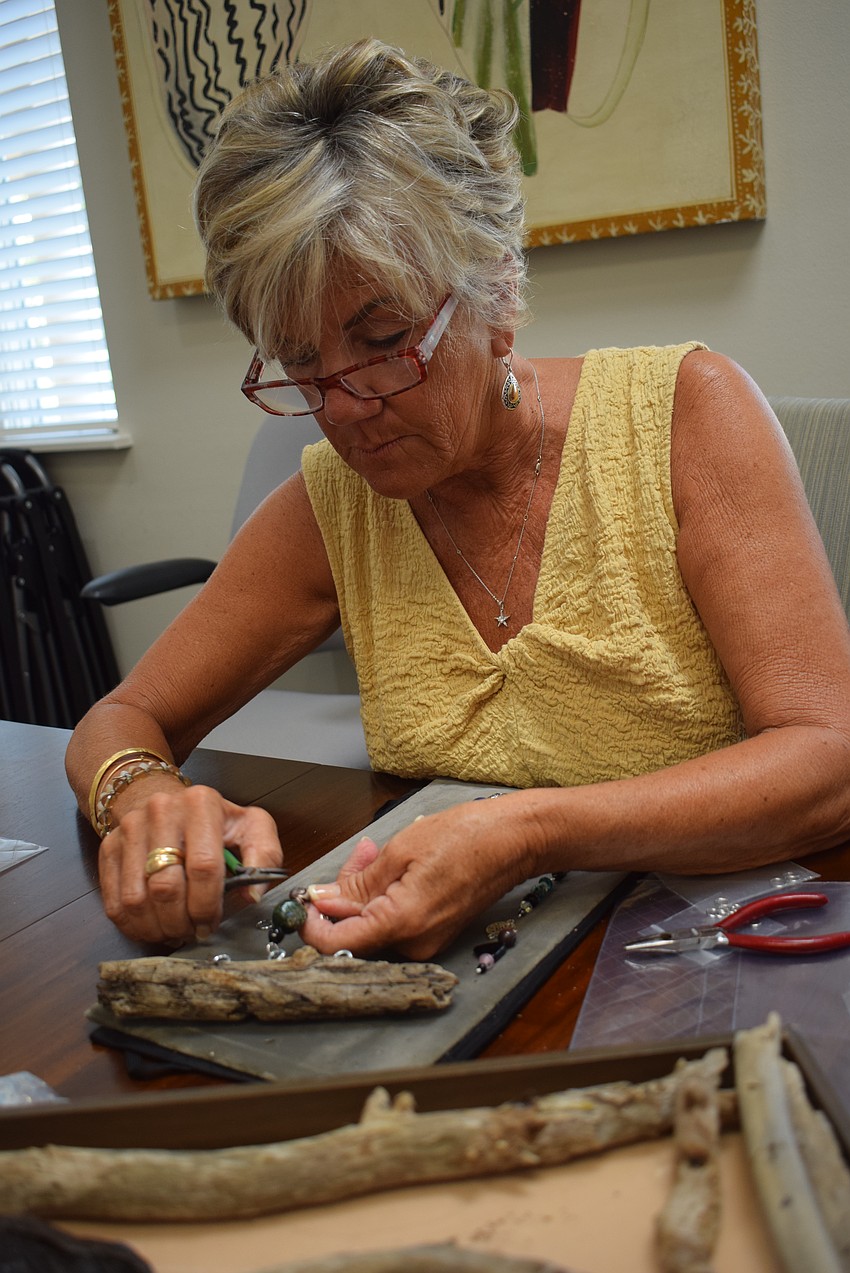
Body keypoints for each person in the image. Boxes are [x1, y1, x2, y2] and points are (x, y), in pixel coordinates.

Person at [66, 38, 850, 961]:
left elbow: (827, 756)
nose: (344, 410)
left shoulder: (688, 414)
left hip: (720, 943)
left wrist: (523, 831)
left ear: (498, 290)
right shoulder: (334, 506)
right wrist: (149, 799)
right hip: (461, 965)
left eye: (386, 339)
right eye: (303, 364)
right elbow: (116, 722)